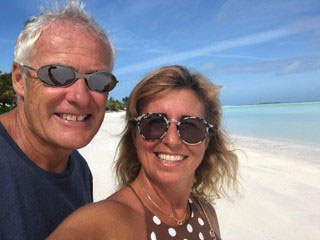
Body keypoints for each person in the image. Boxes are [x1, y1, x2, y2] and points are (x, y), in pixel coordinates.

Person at [48, 65, 238, 240]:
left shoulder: (206, 213)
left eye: (190, 127)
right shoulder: (103, 223)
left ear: (207, 140)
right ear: (134, 136)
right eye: (154, 124)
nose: (172, 140)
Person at [0, 0, 117, 239]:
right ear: (20, 79)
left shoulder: (79, 170)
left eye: (98, 81)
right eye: (57, 75)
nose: (80, 97)